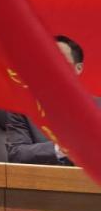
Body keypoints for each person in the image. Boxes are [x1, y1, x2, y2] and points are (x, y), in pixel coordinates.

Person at [7, 35, 95, 165]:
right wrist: (62, 149)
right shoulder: (24, 107)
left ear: (78, 68)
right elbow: (16, 154)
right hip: (43, 177)